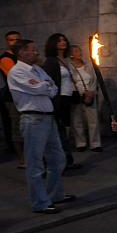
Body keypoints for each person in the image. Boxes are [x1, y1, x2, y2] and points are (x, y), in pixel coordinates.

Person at [7, 39, 74, 214]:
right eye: (33, 50)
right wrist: (45, 86)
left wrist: (45, 86)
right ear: (22, 53)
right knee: (35, 164)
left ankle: (55, 194)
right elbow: (41, 88)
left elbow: (53, 88)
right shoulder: (17, 72)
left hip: (47, 118)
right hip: (33, 120)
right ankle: (40, 202)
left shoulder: (36, 69)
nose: (37, 53)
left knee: (58, 159)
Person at [42, 33, 78, 170]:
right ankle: (63, 161)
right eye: (59, 41)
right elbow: (49, 82)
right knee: (60, 131)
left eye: (64, 40)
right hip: (59, 100)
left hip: (67, 99)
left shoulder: (65, 60)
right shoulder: (51, 61)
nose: (62, 42)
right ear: (53, 44)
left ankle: (67, 160)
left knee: (65, 131)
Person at [0, 30, 24, 167]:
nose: (15, 42)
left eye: (17, 39)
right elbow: (16, 78)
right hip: (12, 97)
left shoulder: (22, 56)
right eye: (11, 40)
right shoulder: (5, 58)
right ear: (7, 42)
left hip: (24, 96)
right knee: (17, 129)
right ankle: (22, 160)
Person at [68, 45, 101, 151]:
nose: (79, 53)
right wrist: (78, 92)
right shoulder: (69, 67)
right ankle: (80, 143)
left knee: (93, 120)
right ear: (71, 54)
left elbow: (93, 79)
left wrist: (91, 92)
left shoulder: (88, 65)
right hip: (77, 95)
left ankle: (95, 143)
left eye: (80, 50)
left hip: (89, 94)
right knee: (77, 120)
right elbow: (69, 81)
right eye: (76, 51)